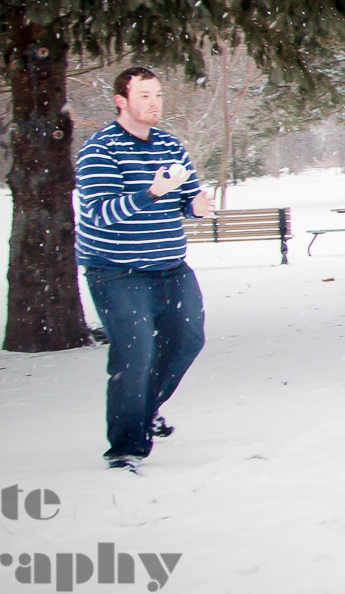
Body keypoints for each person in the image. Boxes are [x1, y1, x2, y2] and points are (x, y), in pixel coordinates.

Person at [76, 66, 212, 471]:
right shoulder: (100, 150)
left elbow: (185, 195)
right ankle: (125, 447)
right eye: (144, 96)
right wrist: (151, 192)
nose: (153, 104)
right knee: (134, 353)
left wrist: (194, 206)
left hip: (170, 267)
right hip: (117, 273)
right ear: (122, 100)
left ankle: (144, 409)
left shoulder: (170, 144)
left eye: (157, 96)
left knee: (188, 340)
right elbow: (100, 213)